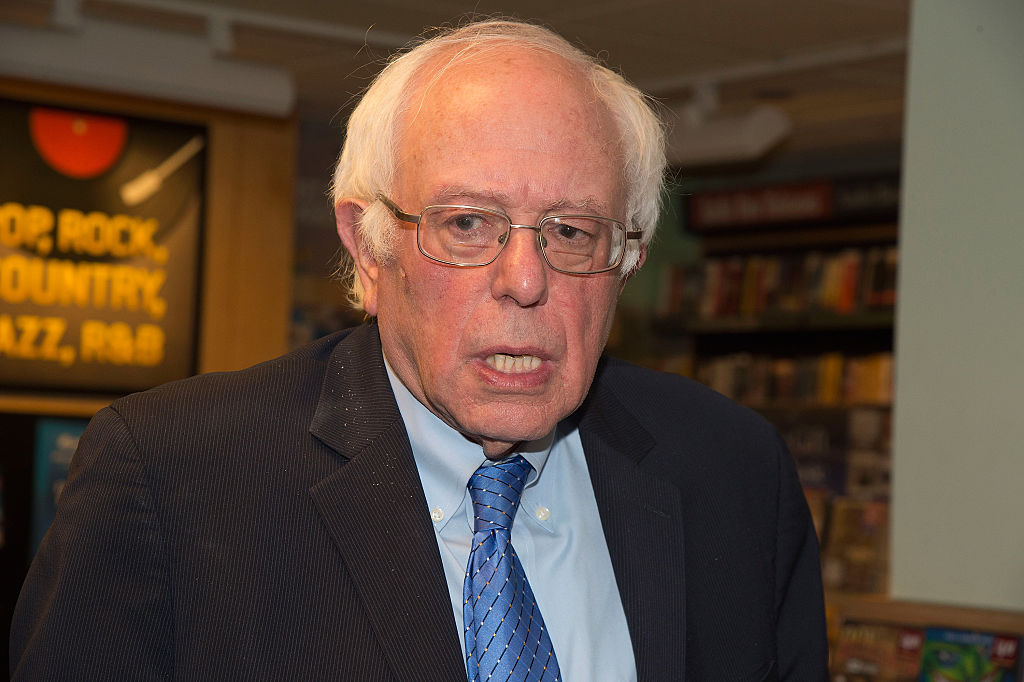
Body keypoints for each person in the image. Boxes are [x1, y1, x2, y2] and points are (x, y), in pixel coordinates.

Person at [10, 19, 827, 682]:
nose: (525, 281)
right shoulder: (173, 477)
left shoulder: (732, 470)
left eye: (572, 232)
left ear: (627, 262)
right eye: (467, 223)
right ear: (367, 247)